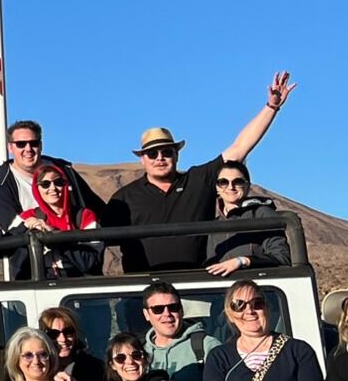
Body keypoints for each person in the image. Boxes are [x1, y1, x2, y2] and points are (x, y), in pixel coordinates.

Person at [109, 71, 297, 273]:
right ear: (142, 159)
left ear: (177, 155)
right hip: (141, 288)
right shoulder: (124, 198)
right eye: (152, 153)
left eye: (167, 152)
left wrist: (271, 107)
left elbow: (239, 148)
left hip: (198, 285)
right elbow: (98, 239)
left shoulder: (197, 180)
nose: (160, 157)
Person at [0, 120, 107, 230]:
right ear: (10, 148)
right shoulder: (0, 181)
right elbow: (12, 225)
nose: (28, 149)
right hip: (33, 249)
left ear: (41, 145)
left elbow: (98, 209)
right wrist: (43, 232)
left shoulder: (65, 171)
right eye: (21, 144)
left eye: (34, 143)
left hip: (78, 248)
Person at [8, 164, 103, 278]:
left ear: (66, 185)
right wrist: (24, 228)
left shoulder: (85, 217)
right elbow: (6, 249)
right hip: (41, 286)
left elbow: (90, 262)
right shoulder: (27, 217)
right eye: (45, 184)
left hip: (78, 286)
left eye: (58, 182)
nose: (52, 188)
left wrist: (54, 235)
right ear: (36, 188)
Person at [206, 160, 293, 275]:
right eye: (223, 182)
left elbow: (282, 257)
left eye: (238, 182)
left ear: (247, 186)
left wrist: (243, 261)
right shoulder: (212, 226)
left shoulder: (262, 214)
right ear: (217, 187)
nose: (230, 187)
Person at [42, 307, 108, 381]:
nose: (63, 339)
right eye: (53, 334)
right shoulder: (37, 369)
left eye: (68, 332)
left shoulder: (95, 367)